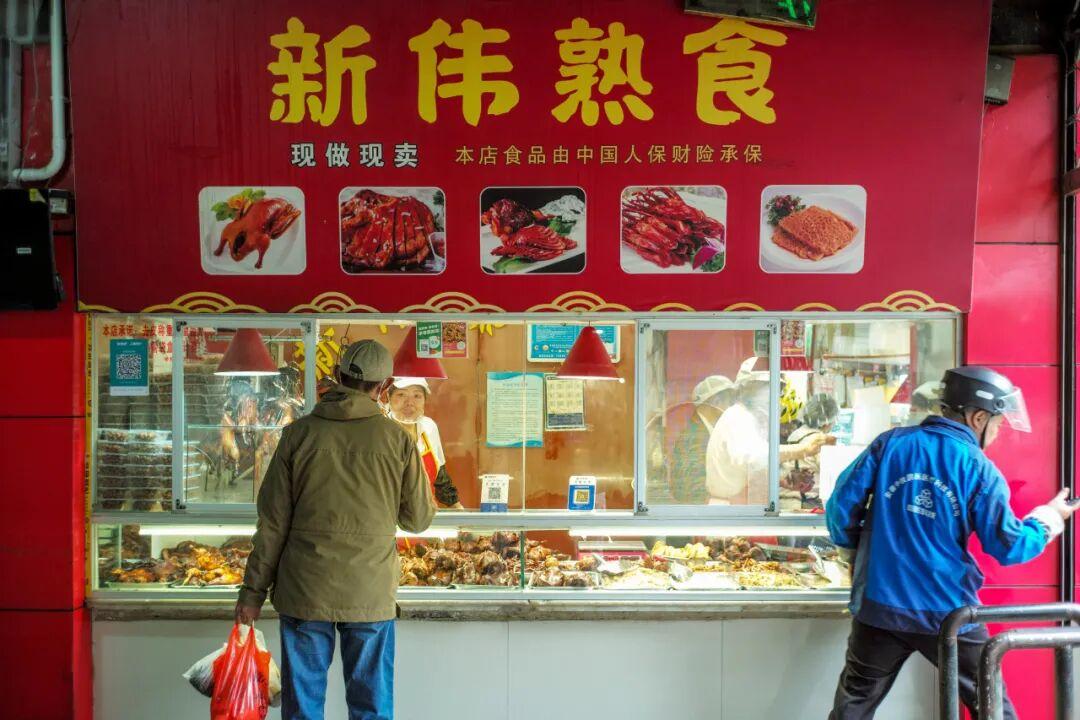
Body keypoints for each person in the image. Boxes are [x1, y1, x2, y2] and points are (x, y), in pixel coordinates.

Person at [825, 366, 1077, 720]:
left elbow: (840, 508)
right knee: (993, 709)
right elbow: (1009, 546)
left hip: (879, 609)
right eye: (997, 424)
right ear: (978, 418)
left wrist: (854, 552)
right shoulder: (978, 468)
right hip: (949, 614)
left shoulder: (891, 443)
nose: (997, 433)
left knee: (853, 707)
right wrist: (1049, 518)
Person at [234, 339, 437, 720]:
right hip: (369, 591)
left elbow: (272, 523)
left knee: (303, 707)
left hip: (305, 590)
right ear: (384, 386)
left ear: (338, 376)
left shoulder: (298, 435)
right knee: (371, 706)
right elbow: (418, 519)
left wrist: (252, 592)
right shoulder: (398, 439)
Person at [706, 359, 831, 505]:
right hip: (729, 507)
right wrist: (801, 450)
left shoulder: (751, 419)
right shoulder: (737, 417)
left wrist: (780, 478)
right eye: (765, 388)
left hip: (743, 506)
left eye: (776, 389)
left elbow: (750, 469)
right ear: (746, 389)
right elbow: (753, 457)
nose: (772, 395)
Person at [385, 377, 463, 509]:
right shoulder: (379, 430)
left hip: (425, 514)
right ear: (389, 397)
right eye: (401, 394)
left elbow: (440, 479)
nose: (409, 403)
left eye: (417, 396)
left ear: (424, 400)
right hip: (388, 514)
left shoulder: (428, 427)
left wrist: (459, 510)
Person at [669, 375, 735, 504]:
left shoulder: (709, 429)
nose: (730, 408)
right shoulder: (694, 437)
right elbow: (691, 489)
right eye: (729, 402)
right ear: (716, 402)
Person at [779, 393, 839, 511]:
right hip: (805, 506)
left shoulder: (795, 434)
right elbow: (833, 476)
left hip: (784, 502)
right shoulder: (820, 441)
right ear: (827, 422)